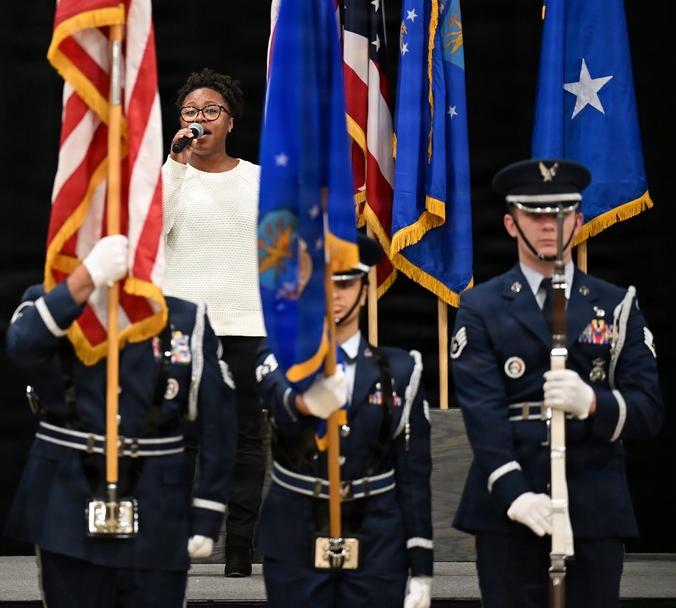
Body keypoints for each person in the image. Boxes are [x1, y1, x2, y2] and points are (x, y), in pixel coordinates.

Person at [450, 158, 664, 608]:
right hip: (510, 502)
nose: (551, 225)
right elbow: (482, 412)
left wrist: (592, 402)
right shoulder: (481, 306)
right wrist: (514, 494)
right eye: (536, 214)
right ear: (511, 223)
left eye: (562, 213)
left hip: (594, 500)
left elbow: (648, 411)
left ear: (579, 220)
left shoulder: (616, 304)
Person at [4, 234, 237, 608]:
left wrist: (208, 511)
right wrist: (83, 280)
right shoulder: (52, 305)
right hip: (67, 501)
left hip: (157, 510)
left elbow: (219, 426)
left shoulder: (184, 319)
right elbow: (21, 345)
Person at [254, 234, 434, 608]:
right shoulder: (281, 354)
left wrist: (421, 564)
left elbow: (413, 474)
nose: (335, 295)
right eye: (324, 284)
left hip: (377, 541)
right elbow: (272, 389)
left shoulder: (399, 369)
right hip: (295, 535)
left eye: (346, 284)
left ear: (364, 293)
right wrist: (304, 402)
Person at [162, 67, 267, 577]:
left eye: (210, 112)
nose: (199, 120)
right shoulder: (167, 174)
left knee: (247, 440)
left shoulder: (258, 180)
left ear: (229, 122)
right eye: (190, 113)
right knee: (180, 439)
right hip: (181, 327)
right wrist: (175, 164)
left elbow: (279, 257)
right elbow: (150, 232)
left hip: (246, 324)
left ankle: (239, 550)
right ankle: (175, 546)